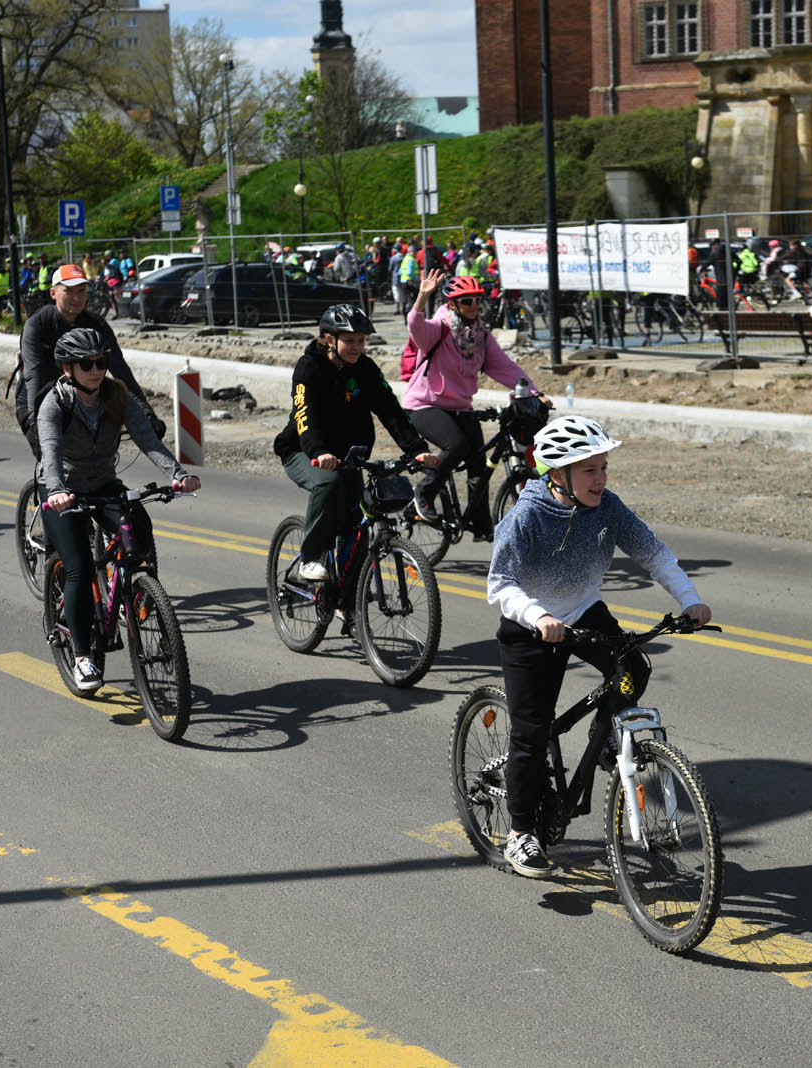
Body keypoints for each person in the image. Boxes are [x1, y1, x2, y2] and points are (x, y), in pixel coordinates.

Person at [485, 415, 712, 876]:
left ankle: (607, 739)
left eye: (603, 467)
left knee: (634, 666)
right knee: (531, 733)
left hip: (584, 611)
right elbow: (501, 584)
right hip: (531, 624)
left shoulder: (607, 507)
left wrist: (690, 600)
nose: (601, 479)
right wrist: (540, 616)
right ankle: (520, 833)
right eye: (590, 470)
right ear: (557, 473)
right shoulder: (526, 516)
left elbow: (652, 553)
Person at [38, 328, 201, 692]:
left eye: (101, 362)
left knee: (140, 528)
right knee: (78, 566)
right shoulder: (55, 404)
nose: (96, 370)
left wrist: (179, 474)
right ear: (68, 368)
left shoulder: (115, 395)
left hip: (103, 484)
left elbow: (147, 438)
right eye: (86, 364)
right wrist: (59, 490)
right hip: (62, 489)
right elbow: (49, 452)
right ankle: (82, 657)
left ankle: (137, 593)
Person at [272, 304, 435, 581]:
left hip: (349, 456)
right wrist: (319, 451)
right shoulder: (309, 367)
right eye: (349, 340)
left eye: (361, 340)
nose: (357, 347)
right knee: (328, 483)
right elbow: (304, 415)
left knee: (357, 521)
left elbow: (390, 411)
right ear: (328, 339)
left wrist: (417, 449)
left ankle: (347, 599)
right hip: (304, 450)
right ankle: (310, 558)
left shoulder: (365, 369)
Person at [404, 271, 545, 532]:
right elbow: (415, 325)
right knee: (456, 445)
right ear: (452, 304)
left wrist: (535, 393)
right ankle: (422, 494)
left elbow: (506, 368)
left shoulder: (481, 336)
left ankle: (478, 522)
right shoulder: (439, 328)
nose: (474, 305)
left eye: (476, 300)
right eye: (466, 300)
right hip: (424, 405)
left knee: (478, 462)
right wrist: (423, 295)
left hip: (460, 407)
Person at [16, 263, 159, 457]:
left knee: (101, 458)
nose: (76, 297)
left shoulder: (96, 323)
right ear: (53, 293)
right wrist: (38, 424)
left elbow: (121, 371)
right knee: (52, 458)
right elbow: (35, 376)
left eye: (82, 290)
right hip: (40, 397)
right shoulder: (37, 325)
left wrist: (148, 414)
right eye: (68, 291)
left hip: (85, 395)